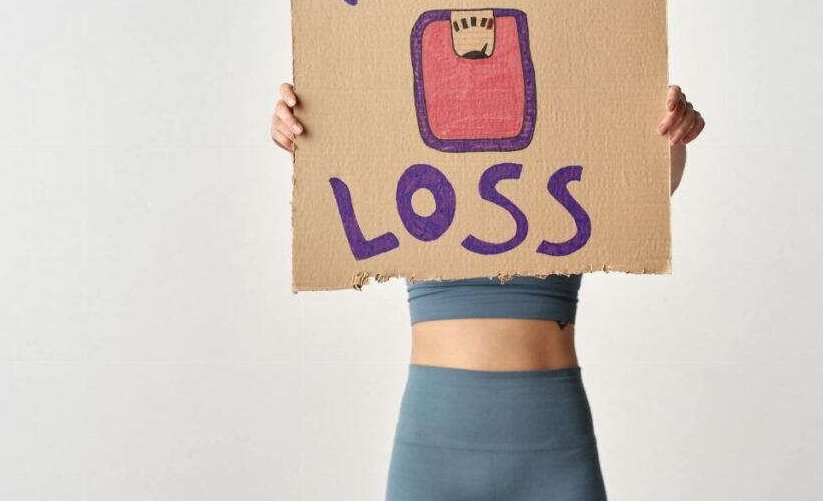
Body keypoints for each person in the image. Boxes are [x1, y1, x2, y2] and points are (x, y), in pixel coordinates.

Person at [270, 82, 705, 500]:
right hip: (434, 451)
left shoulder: (567, 131)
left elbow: (646, 190)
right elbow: (338, 157)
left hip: (552, 445)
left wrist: (673, 131)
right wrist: (299, 127)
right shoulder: (408, 131)